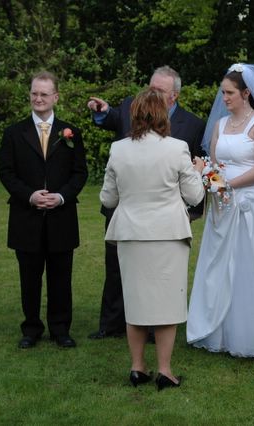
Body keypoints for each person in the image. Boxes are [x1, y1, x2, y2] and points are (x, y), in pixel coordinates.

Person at [86, 66, 206, 340]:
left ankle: (150, 330)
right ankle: (112, 324)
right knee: (118, 271)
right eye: (150, 88)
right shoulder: (130, 108)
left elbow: (191, 180)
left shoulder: (192, 126)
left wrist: (192, 212)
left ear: (174, 96)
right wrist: (103, 111)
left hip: (165, 219)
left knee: (159, 279)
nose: (152, 94)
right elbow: (111, 118)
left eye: (159, 90)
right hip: (127, 212)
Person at [100, 88, 205, 390]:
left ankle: (137, 368)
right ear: (162, 115)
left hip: (131, 234)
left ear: (133, 115)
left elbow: (108, 198)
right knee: (167, 304)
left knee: (135, 303)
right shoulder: (177, 148)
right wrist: (197, 171)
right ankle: (165, 371)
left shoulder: (119, 149)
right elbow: (194, 195)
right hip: (168, 235)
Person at [186, 63, 254, 357]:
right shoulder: (220, 125)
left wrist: (228, 185)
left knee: (249, 264)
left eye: (229, 93)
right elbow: (214, 163)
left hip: (252, 202)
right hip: (223, 204)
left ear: (246, 93)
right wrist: (213, 182)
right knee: (218, 263)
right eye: (223, 93)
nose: (224, 98)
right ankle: (216, 329)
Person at [0, 71, 88, 349]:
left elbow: (80, 173)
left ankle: (60, 329)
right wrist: (29, 196)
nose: (38, 98)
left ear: (55, 97)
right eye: (34, 93)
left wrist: (61, 197)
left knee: (61, 277)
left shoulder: (71, 132)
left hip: (61, 217)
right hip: (26, 217)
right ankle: (31, 329)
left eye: (44, 94)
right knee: (29, 277)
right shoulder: (14, 133)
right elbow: (6, 172)